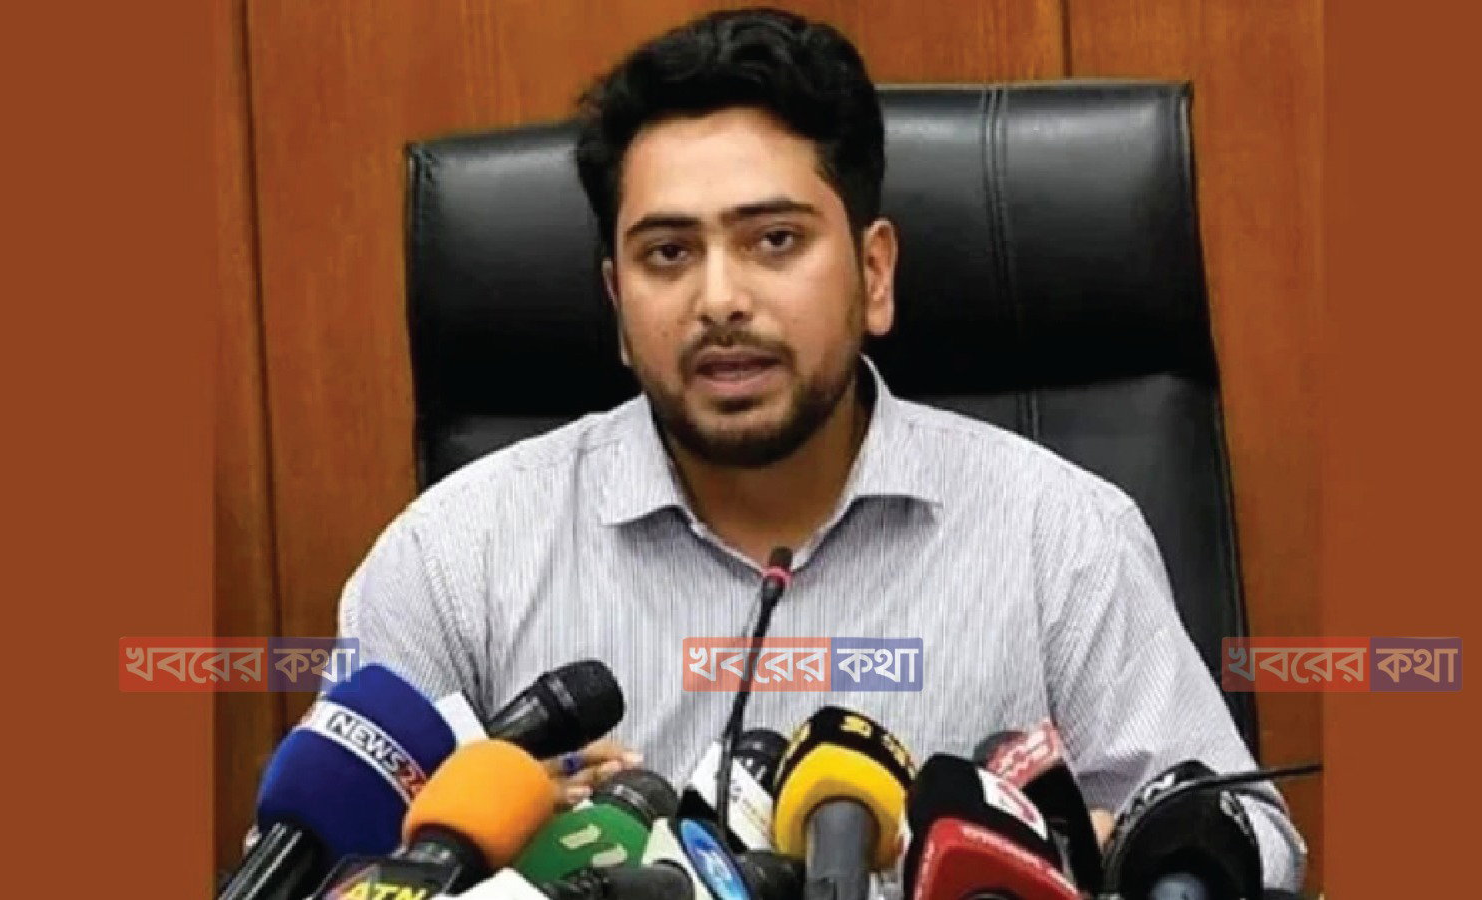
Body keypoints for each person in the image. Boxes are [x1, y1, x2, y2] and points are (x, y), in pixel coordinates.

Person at [338, 7, 1305, 889]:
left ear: (874, 274)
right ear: (618, 305)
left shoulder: (1060, 533)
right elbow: (330, 866)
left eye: (775, 241)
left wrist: (1098, 851)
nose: (721, 299)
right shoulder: (451, 561)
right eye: (668, 254)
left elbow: (1249, 841)